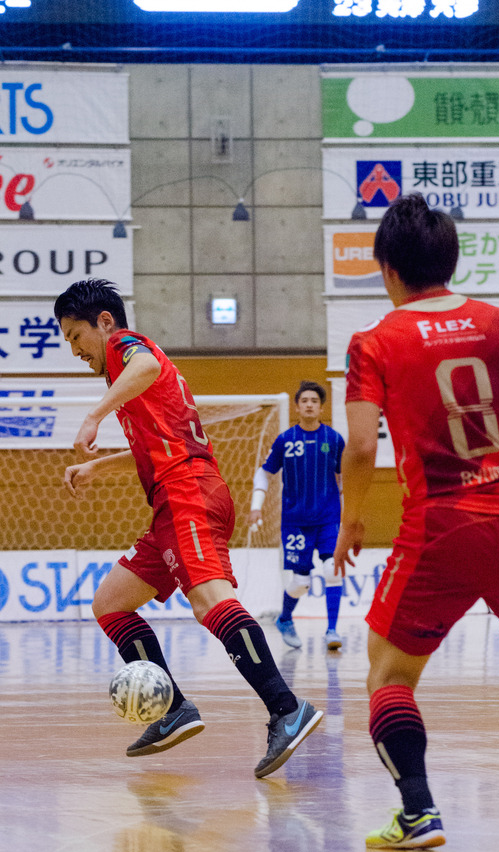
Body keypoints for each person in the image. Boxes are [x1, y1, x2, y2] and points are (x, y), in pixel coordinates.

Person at [333, 193, 499, 850]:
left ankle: (418, 812)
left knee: (389, 673)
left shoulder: (374, 340)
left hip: (440, 528)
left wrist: (351, 521)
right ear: (449, 260)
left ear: (388, 269)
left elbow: (363, 447)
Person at [54, 279, 323, 778]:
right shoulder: (131, 384)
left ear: (105, 323)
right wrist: (97, 468)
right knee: (110, 604)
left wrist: (94, 415)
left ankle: (286, 708)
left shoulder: (124, 349)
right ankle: (173, 708)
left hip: (188, 494)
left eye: (75, 336)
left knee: (209, 600)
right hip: (174, 502)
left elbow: (149, 363)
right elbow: (148, 449)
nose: (75, 350)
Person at [249, 380, 345, 651]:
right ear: (297, 406)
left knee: (331, 570)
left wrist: (348, 512)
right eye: (305, 401)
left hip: (328, 517)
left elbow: (344, 477)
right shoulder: (286, 440)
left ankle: (332, 630)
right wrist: (257, 503)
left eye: (315, 401)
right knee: (301, 582)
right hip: (295, 521)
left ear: (321, 406)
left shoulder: (334, 440)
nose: (310, 405)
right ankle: (285, 618)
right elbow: (264, 472)